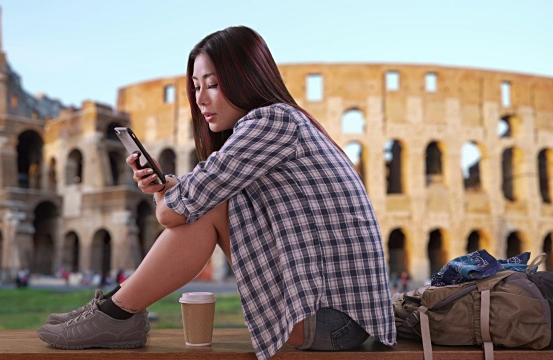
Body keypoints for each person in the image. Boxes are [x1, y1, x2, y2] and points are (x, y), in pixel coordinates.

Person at [37, 25, 396, 359]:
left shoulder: (271, 121)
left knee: (206, 207)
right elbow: (186, 203)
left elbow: (173, 214)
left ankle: (116, 314)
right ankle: (115, 312)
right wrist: (168, 191)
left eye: (213, 84)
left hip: (332, 322)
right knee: (207, 202)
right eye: (195, 86)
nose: (201, 99)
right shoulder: (282, 122)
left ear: (246, 79)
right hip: (334, 319)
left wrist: (165, 196)